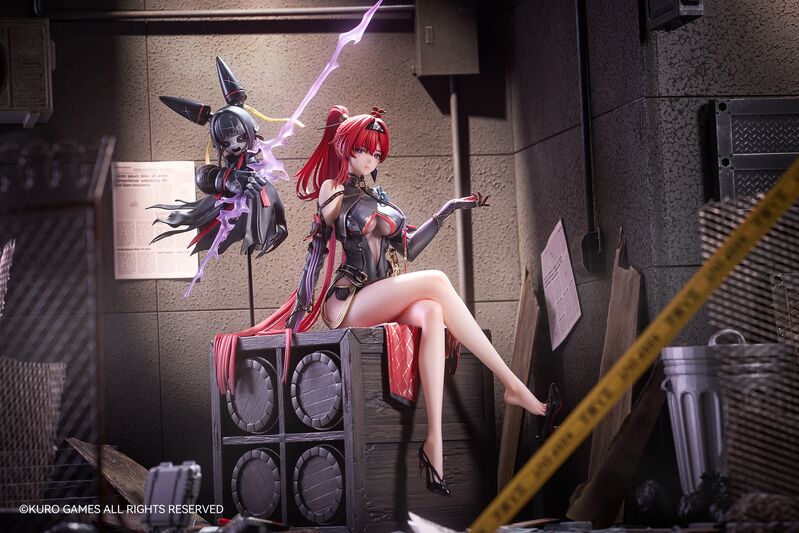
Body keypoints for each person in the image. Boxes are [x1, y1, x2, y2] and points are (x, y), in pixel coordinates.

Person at [273, 104, 557, 496]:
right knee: (438, 281)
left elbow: (407, 248)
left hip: (380, 293)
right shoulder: (332, 188)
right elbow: (318, 246)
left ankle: (434, 442)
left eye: (377, 153)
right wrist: (297, 317)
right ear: (346, 147)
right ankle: (513, 386)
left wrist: (447, 210)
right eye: (363, 149)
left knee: (433, 312)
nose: (370, 159)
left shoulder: (377, 195)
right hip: (350, 301)